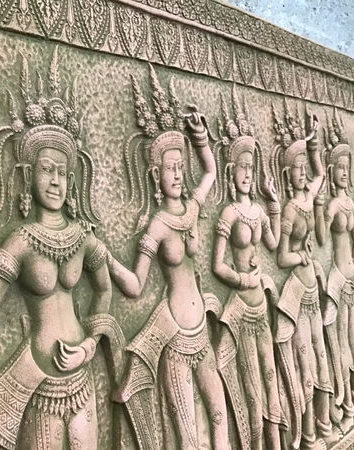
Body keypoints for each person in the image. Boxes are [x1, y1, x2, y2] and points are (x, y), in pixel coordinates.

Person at [0, 48, 120, 450]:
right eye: (46, 170)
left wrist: (89, 346)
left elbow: (104, 290)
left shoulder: (82, 238)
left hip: (82, 380)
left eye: (63, 173)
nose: (55, 182)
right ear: (27, 175)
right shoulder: (19, 241)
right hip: (41, 388)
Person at [107, 65, 230, 450]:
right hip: (175, 337)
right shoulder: (158, 226)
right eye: (169, 169)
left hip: (202, 332)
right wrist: (106, 258)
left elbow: (210, 172)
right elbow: (135, 285)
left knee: (219, 413)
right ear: (155, 175)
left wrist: (200, 139)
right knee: (187, 433)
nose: (176, 175)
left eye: (179, 168)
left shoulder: (192, 209)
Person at [212, 88, 283, 450]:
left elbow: (273, 244)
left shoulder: (256, 211)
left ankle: (276, 443)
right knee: (252, 388)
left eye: (251, 168)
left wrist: (274, 203)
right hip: (241, 307)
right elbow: (217, 264)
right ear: (231, 170)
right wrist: (242, 278)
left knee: (270, 378)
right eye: (242, 168)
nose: (246, 174)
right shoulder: (229, 213)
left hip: (261, 307)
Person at [270, 103, 338, 449]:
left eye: (303, 168)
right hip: (296, 293)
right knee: (305, 366)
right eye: (296, 169)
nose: (302, 173)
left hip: (314, 290)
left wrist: (313, 145)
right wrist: (301, 255)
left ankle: (324, 425)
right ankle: (309, 435)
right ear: (287, 174)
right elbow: (281, 256)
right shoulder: (288, 211)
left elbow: (320, 175)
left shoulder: (309, 198)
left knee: (321, 357)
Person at [317, 109, 354, 434]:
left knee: (352, 340)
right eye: (341, 168)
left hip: (351, 279)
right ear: (332, 171)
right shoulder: (334, 205)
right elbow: (322, 239)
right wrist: (321, 206)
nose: (346, 173)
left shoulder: (350, 205)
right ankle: (347, 403)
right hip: (336, 279)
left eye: (349, 168)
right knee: (338, 345)